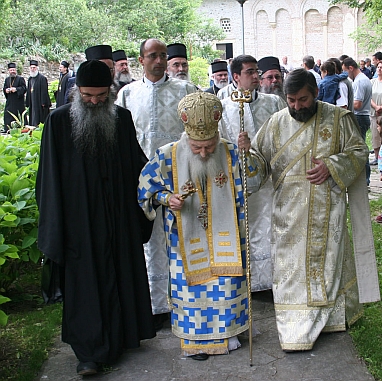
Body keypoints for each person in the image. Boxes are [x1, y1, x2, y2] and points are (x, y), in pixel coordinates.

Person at [238, 68, 379, 351]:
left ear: (315, 93)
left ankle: (331, 319)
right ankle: (295, 327)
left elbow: (358, 152)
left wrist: (332, 165)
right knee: (290, 271)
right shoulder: (276, 122)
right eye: (291, 100)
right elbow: (258, 170)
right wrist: (247, 152)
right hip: (287, 215)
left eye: (302, 100)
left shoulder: (338, 119)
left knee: (328, 264)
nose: (296, 106)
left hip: (327, 211)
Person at [36, 60, 156, 376]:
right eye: (88, 95)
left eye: (101, 95)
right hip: (79, 224)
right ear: (77, 92)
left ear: (110, 92)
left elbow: (137, 166)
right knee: (86, 286)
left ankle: (119, 339)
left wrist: (156, 185)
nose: (94, 101)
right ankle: (88, 352)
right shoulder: (58, 121)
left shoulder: (121, 118)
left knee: (119, 276)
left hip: (118, 217)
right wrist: (55, 227)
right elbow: (48, 178)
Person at [138, 91, 249, 360]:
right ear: (187, 136)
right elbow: (145, 190)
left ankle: (228, 335)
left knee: (226, 284)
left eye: (209, 147)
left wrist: (249, 154)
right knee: (192, 290)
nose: (203, 152)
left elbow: (254, 180)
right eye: (197, 147)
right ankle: (194, 341)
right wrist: (167, 198)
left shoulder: (231, 151)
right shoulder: (167, 156)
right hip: (183, 239)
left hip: (227, 235)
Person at [116, 38, 197, 320]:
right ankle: (155, 305)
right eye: (153, 55)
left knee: (182, 238)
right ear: (142, 60)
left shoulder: (185, 89)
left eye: (163, 55)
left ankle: (186, 300)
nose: (160, 60)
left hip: (180, 177)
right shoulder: (127, 94)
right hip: (141, 180)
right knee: (149, 242)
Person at [220, 54, 286, 292]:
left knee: (270, 226)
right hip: (239, 179)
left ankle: (268, 282)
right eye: (249, 72)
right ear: (236, 76)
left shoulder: (273, 102)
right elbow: (220, 141)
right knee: (245, 227)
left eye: (257, 71)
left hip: (269, 177)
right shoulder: (225, 106)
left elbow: (284, 135)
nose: (256, 76)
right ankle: (247, 279)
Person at [342, 57, 372, 186]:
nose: (345, 74)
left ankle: (365, 179)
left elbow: (358, 104)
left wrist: (346, 103)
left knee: (359, 149)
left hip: (360, 116)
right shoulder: (363, 79)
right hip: (364, 116)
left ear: (350, 68)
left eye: (345, 71)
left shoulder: (359, 82)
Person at [25, 60, 51, 126]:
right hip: (32, 102)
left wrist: (43, 102)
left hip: (39, 102)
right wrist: (27, 102)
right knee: (33, 115)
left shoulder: (42, 78)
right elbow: (28, 91)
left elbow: (44, 91)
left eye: (34, 68)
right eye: (31, 68)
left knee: (39, 117)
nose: (32, 69)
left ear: (37, 68)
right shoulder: (30, 79)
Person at [2, 62, 26, 131]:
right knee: (7, 114)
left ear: (16, 70)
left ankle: (20, 128)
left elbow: (24, 88)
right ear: (9, 71)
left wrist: (16, 89)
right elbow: (4, 88)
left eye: (13, 70)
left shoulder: (20, 79)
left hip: (18, 102)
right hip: (10, 101)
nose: (12, 71)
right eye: (11, 70)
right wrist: (6, 90)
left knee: (19, 115)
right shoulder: (7, 80)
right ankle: (8, 129)